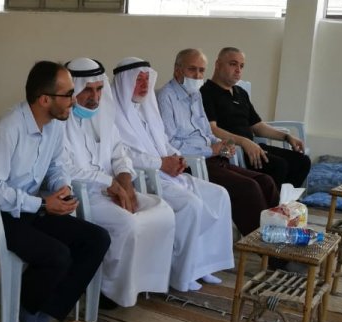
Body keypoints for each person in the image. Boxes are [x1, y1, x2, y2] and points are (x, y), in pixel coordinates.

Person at [0, 60, 111, 322]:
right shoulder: (9, 126)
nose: (74, 100)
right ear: (45, 99)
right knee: (57, 255)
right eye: (68, 94)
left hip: (30, 210)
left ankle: (42, 309)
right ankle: (26, 307)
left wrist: (62, 188)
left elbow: (57, 166)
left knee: (96, 239)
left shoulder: (54, 126)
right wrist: (43, 205)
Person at [108, 57, 234, 292]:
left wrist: (176, 157)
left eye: (146, 79)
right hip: (143, 179)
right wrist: (160, 163)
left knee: (219, 195)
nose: (144, 85)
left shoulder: (146, 107)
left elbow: (163, 141)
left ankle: (203, 265)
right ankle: (182, 274)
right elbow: (124, 155)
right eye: (138, 80)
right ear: (125, 82)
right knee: (191, 205)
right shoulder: (114, 113)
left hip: (166, 173)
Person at [61, 57, 176, 307]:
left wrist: (125, 180)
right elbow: (66, 169)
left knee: (163, 212)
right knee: (128, 223)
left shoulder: (103, 115)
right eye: (87, 90)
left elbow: (119, 153)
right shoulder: (60, 121)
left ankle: (140, 284)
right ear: (73, 90)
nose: (95, 97)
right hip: (84, 197)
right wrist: (110, 183)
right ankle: (109, 291)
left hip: (112, 190)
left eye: (99, 89)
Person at [155, 49, 279, 235]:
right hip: (192, 164)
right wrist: (211, 150)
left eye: (201, 70)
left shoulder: (195, 94)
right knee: (249, 188)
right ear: (177, 70)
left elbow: (206, 132)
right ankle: (262, 244)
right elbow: (170, 144)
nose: (198, 76)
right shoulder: (166, 97)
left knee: (266, 181)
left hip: (214, 158)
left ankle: (279, 235)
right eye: (192, 69)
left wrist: (224, 145)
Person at [201, 47, 311, 188]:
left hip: (253, 147)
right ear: (218, 64)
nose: (238, 70)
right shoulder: (206, 92)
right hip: (232, 150)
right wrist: (244, 142)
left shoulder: (241, 93)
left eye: (241, 66)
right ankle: (273, 200)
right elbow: (212, 129)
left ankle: (283, 199)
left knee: (302, 162)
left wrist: (286, 137)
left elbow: (257, 126)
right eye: (233, 64)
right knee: (279, 166)